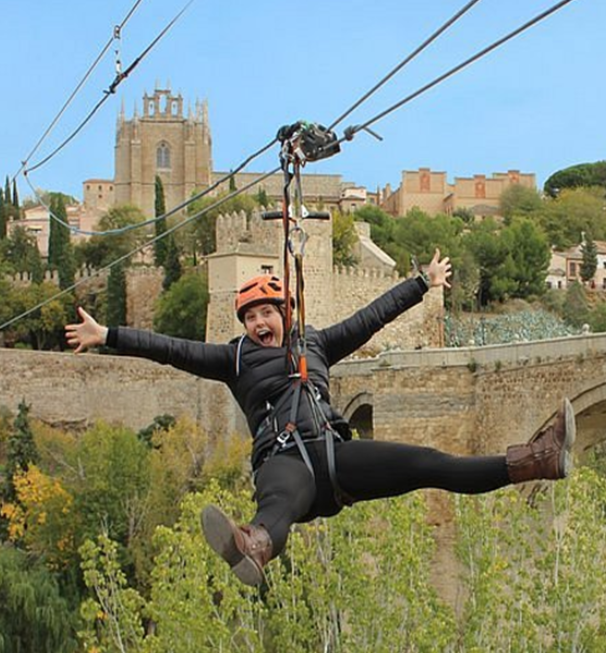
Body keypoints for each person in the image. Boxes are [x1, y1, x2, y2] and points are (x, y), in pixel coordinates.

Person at [66, 250, 574, 587]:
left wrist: (422, 283)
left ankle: (537, 461)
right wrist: (109, 334)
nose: (260, 322)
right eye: (251, 316)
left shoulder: (317, 345)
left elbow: (372, 317)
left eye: (268, 312)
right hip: (285, 461)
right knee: (279, 503)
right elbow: (169, 349)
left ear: (285, 314)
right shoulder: (233, 359)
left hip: (336, 456)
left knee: (429, 463)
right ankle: (255, 546)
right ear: (243, 325)